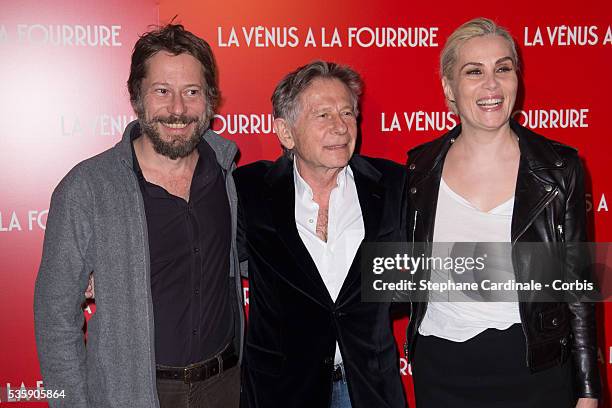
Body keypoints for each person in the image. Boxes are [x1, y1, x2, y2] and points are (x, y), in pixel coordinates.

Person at [34, 24, 244, 408]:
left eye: (192, 92)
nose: (178, 109)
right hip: (133, 394)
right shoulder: (87, 188)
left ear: (210, 99)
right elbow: (54, 319)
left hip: (226, 387)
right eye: (162, 91)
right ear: (137, 97)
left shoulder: (227, 174)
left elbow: (253, 259)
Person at [403, 18, 600, 408]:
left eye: (503, 69)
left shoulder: (559, 169)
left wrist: (588, 392)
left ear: (516, 80)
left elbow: (577, 287)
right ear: (449, 87)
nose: (491, 85)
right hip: (441, 369)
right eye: (474, 71)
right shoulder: (418, 169)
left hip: (535, 367)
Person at [235, 61, 407, 408]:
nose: (341, 127)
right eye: (323, 115)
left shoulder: (393, 185)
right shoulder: (249, 191)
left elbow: (430, 269)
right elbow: (199, 253)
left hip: (369, 388)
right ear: (285, 133)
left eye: (347, 113)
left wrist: (543, 273)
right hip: (282, 391)